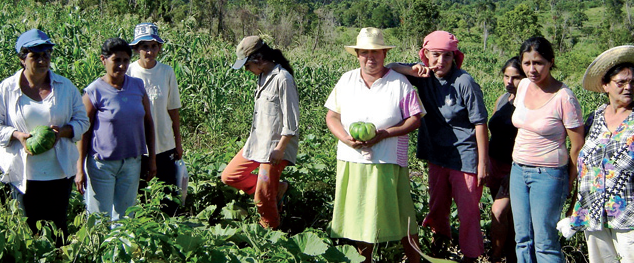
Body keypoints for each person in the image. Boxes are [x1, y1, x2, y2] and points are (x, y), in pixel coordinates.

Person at [388, 30, 488, 262]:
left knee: (468, 213)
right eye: (434, 55)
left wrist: (483, 164)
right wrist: (413, 69)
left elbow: (480, 124)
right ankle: (439, 251)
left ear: (455, 58)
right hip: (436, 155)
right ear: (425, 55)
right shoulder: (423, 77)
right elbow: (390, 67)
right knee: (437, 209)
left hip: (464, 158)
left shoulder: (465, 82)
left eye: (447, 56)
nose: (440, 62)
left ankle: (471, 256)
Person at [325, 27, 424, 263]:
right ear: (357, 54)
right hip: (353, 160)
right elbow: (332, 116)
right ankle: (364, 260)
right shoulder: (346, 80)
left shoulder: (399, 83)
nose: (371, 57)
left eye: (376, 52)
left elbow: (415, 118)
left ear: (385, 55)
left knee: (402, 217)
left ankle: (415, 260)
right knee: (360, 219)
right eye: (364, 52)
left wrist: (385, 134)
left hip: (389, 160)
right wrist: (346, 139)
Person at [0, 29, 89, 243]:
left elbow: (83, 120)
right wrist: (17, 135)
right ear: (22, 59)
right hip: (23, 175)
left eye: (46, 54)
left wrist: (63, 132)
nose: (42, 60)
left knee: (58, 227)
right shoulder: (6, 88)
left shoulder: (65, 86)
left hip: (59, 173)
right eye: (35, 55)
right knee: (29, 230)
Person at [510, 37, 584, 263]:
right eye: (527, 63)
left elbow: (577, 146)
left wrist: (569, 181)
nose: (532, 69)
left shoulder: (564, 97)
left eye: (539, 63)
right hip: (518, 170)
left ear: (551, 62)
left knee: (545, 242)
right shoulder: (522, 86)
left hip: (549, 174)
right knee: (522, 238)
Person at [221, 35, 299, 229]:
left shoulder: (283, 79)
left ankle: (270, 233)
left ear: (258, 59)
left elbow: (292, 120)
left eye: (247, 66)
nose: (247, 71)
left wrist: (280, 149)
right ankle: (278, 189)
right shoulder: (263, 76)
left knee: (262, 198)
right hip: (258, 142)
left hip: (274, 148)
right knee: (230, 176)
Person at [75, 38, 156, 221]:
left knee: (126, 217)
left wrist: (151, 159)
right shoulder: (93, 92)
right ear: (103, 60)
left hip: (131, 163)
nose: (121, 65)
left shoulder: (137, 86)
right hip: (102, 164)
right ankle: (98, 249)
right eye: (116, 60)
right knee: (99, 218)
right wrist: (79, 168)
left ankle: (121, 250)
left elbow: (148, 123)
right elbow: (83, 132)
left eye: (126, 60)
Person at [569, 45, 634, 263]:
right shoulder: (594, 118)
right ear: (606, 85)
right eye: (621, 82)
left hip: (629, 213)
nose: (628, 87)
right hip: (593, 210)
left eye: (633, 82)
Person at [127, 23, 183, 216]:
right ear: (136, 49)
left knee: (168, 195)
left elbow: (173, 110)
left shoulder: (167, 72)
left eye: (153, 46)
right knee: (141, 195)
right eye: (144, 46)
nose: (149, 51)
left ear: (159, 48)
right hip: (138, 146)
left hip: (164, 143)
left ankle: (171, 230)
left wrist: (178, 142)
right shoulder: (129, 73)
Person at [488, 57, 525, 263]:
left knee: (499, 211)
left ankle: (495, 256)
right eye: (506, 76)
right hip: (495, 162)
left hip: (513, 167)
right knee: (507, 217)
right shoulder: (503, 99)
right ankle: (510, 255)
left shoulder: (527, 104)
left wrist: (514, 171)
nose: (509, 82)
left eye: (516, 77)